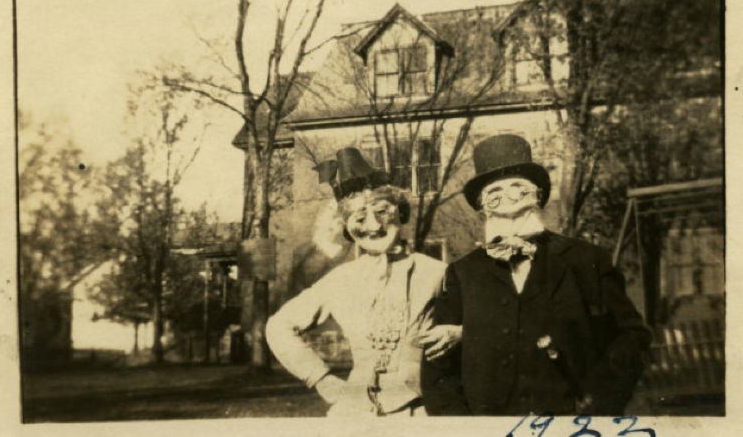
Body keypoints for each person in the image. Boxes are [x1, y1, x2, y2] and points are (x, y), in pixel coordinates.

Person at [421, 134, 651, 416]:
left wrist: (599, 404)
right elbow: (437, 367)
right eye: (494, 191)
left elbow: (631, 337)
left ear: (537, 196)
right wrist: (464, 428)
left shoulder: (585, 260)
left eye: (517, 186)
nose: (506, 196)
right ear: (482, 205)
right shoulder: (462, 272)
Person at [266, 147, 459, 416]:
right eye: (359, 217)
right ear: (347, 227)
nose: (373, 224)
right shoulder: (340, 280)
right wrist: (321, 378)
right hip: (356, 412)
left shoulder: (438, 271)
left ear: (400, 213)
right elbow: (278, 326)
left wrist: (459, 333)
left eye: (382, 211)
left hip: (423, 409)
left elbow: (489, 323)